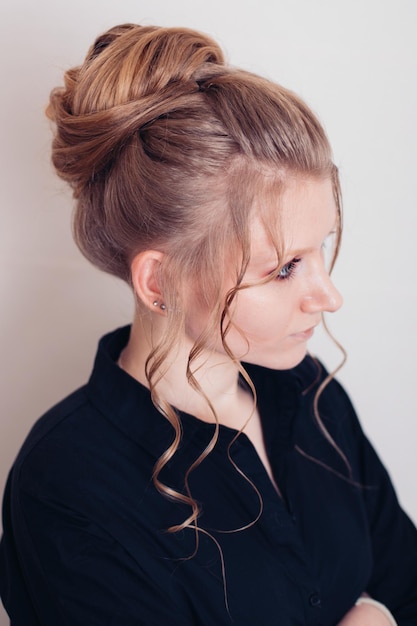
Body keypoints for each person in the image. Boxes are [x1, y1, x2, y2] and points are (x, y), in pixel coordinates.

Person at [0, 22, 416, 626]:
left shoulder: (309, 395)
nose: (327, 296)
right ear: (160, 282)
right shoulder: (66, 488)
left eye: (320, 248)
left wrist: (382, 608)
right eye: (283, 269)